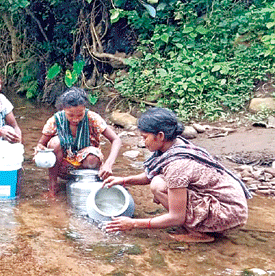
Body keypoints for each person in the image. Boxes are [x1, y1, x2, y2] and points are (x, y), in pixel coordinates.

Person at [104, 107, 250, 243]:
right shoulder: (175, 144)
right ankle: (199, 223)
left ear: (160, 136)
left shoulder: (177, 166)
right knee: (158, 181)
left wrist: (134, 223)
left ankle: (199, 233)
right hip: (229, 202)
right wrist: (122, 180)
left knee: (158, 186)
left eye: (144, 137)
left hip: (229, 212)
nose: (142, 142)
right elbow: (149, 175)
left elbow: (176, 217)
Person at [35, 87, 122, 194]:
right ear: (63, 109)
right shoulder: (55, 120)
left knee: (92, 157)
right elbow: (41, 143)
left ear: (85, 109)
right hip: (63, 167)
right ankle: (53, 186)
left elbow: (116, 140)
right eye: (70, 115)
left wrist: (108, 164)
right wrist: (40, 150)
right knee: (55, 143)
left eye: (80, 115)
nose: (75, 119)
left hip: (87, 165)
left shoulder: (92, 118)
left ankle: (87, 186)